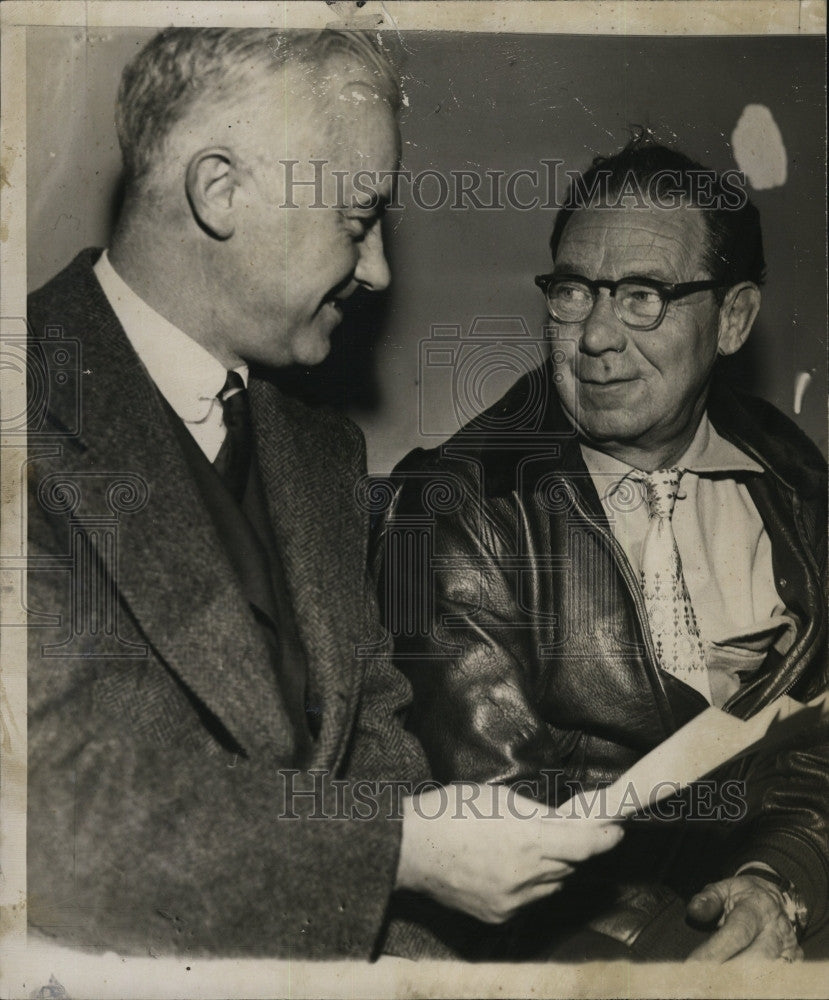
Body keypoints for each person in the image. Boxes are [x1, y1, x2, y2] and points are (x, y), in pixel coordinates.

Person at [25, 28, 622, 958]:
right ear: (219, 191)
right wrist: (404, 851)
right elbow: (47, 821)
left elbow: (374, 758)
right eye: (357, 218)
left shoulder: (317, 455)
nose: (378, 268)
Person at [379, 140, 828, 962]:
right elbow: (506, 834)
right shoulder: (455, 505)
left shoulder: (793, 479)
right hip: (579, 942)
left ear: (732, 319)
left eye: (642, 296)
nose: (593, 336)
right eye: (573, 291)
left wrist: (776, 878)